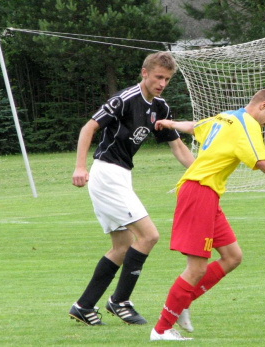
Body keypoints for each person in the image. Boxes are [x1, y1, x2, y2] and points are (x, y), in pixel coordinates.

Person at [149, 88, 265, 340]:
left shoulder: (226, 117)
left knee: (232, 256)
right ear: (262, 105)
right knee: (196, 268)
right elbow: (262, 161)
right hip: (199, 192)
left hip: (207, 194)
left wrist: (170, 123)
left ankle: (182, 302)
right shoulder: (247, 124)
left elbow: (195, 127)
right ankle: (161, 329)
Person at [68, 52, 194, 326]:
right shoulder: (124, 99)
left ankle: (84, 305)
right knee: (149, 236)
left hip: (122, 176)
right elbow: (88, 129)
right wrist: (80, 167)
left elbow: (177, 146)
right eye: (158, 77)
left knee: (122, 247)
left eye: (167, 79)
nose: (162, 83)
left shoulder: (160, 107)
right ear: (144, 73)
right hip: (106, 174)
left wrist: (200, 173)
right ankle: (119, 301)